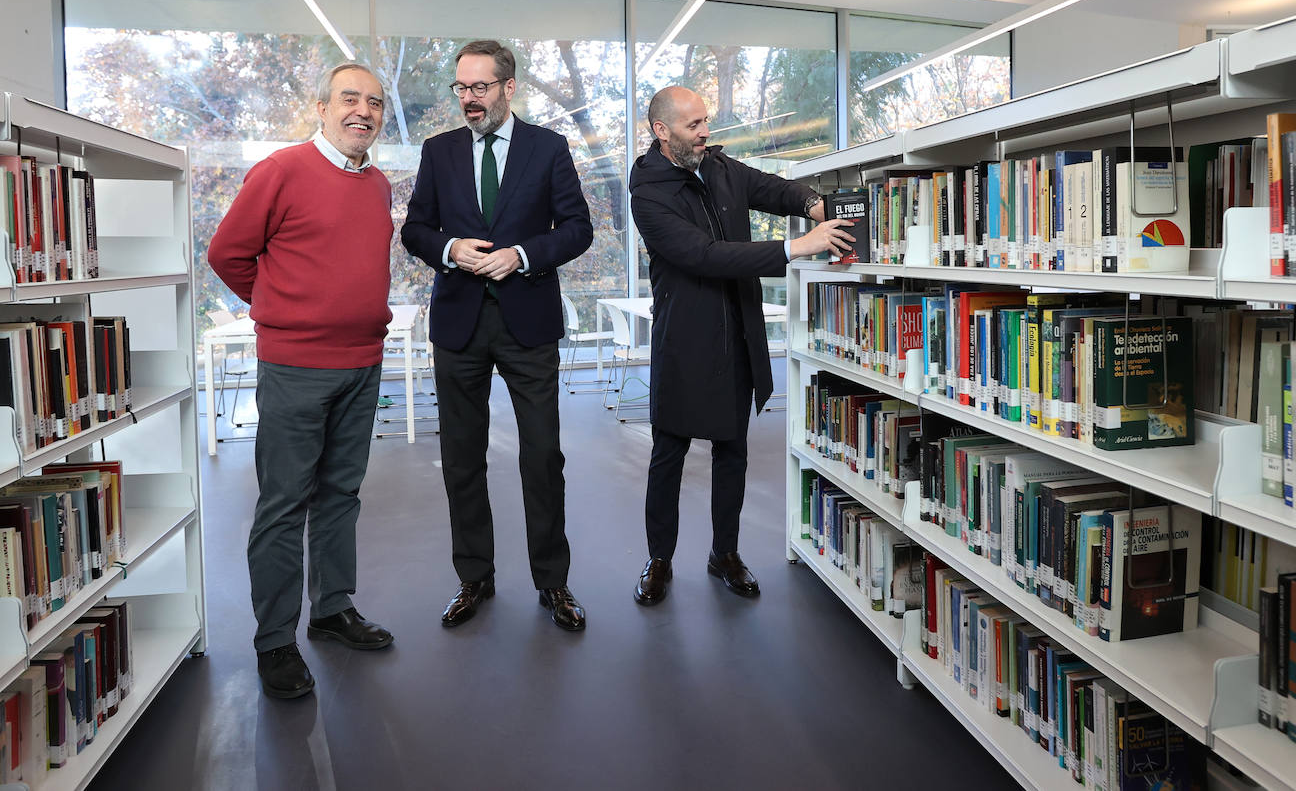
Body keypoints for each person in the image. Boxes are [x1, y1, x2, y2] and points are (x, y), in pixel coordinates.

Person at [208, 63, 396, 700]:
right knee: (284, 504)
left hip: (362, 362)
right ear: (321, 106)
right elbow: (226, 253)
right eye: (350, 98)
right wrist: (281, 306)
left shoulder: (378, 186)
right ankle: (274, 642)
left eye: (374, 103)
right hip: (294, 366)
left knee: (342, 494)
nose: (362, 111)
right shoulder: (281, 170)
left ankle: (332, 608)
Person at [628, 85, 853, 604]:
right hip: (685, 341)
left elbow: (772, 189)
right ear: (662, 132)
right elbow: (705, 255)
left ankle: (723, 552)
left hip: (738, 334)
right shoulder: (650, 194)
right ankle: (658, 559)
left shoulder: (722, 169)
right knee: (669, 453)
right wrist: (796, 247)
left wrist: (814, 206)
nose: (705, 131)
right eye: (692, 125)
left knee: (733, 450)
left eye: (706, 121)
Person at [402, 40, 593, 632]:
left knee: (541, 457)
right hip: (458, 323)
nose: (468, 100)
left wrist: (523, 255)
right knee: (462, 459)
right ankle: (474, 578)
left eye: (479, 88)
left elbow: (579, 228)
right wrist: (448, 248)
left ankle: (553, 583)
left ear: (509, 87)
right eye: (460, 88)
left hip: (527, 323)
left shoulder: (549, 148)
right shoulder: (439, 151)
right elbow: (414, 229)